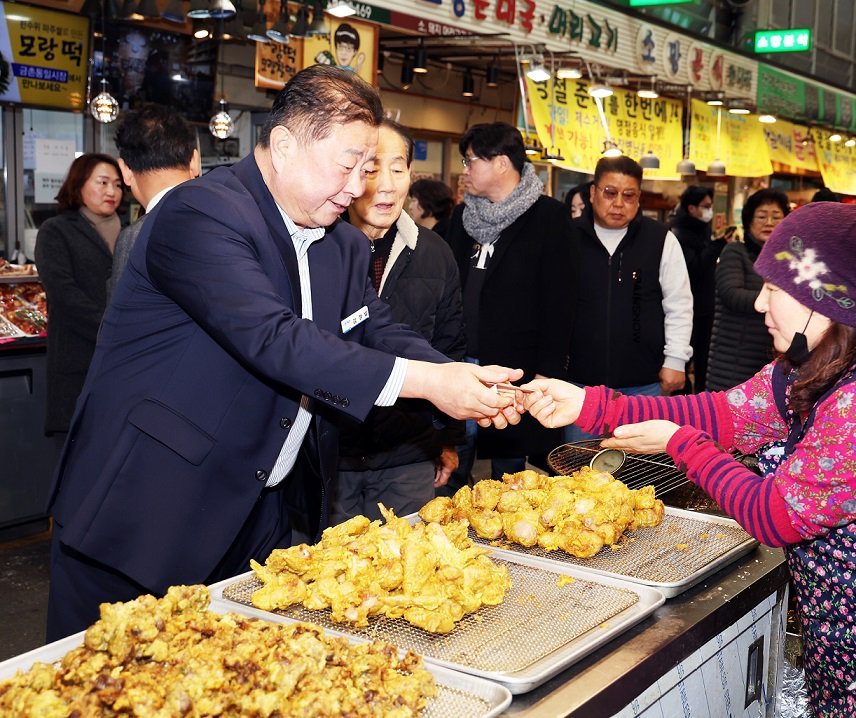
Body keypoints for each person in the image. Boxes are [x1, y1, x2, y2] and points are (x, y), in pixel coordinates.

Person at [521, 202, 856, 717]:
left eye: (774, 289)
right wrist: (590, 404)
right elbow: (724, 413)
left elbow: (774, 515)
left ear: (825, 298)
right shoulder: (817, 366)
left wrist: (679, 444)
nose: (758, 304)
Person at [46, 66, 524, 641]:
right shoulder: (201, 213)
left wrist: (457, 379)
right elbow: (273, 338)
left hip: (255, 511)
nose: (357, 187)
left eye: (367, 169)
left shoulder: (340, 242)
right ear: (284, 144)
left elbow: (372, 328)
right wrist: (425, 383)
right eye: (348, 166)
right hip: (145, 507)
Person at [333, 120, 465, 524]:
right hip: (331, 452)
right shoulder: (319, 246)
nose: (386, 184)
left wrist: (447, 439)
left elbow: (450, 345)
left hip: (408, 452)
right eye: (372, 167)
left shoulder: (435, 253)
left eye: (399, 167)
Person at [446, 121, 578, 479]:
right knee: (456, 461)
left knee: (511, 473)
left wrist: (548, 373)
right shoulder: (462, 215)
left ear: (501, 163)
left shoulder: (549, 218)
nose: (466, 170)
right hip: (464, 362)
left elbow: (561, 302)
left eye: (471, 161)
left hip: (516, 369)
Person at [565, 155, 692, 444]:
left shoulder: (660, 239)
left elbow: (679, 304)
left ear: (639, 198)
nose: (618, 203)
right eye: (610, 193)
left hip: (643, 385)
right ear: (592, 193)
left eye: (629, 195)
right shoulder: (567, 237)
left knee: (638, 475)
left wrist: (676, 360)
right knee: (576, 470)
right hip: (580, 384)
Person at [34, 153, 124, 436]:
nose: (112, 191)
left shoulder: (130, 231)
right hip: (78, 360)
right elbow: (63, 293)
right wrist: (111, 328)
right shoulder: (56, 231)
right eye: (103, 182)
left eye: (118, 184)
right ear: (79, 184)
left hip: (122, 362)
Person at [107, 103, 200, 302]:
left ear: (125, 170)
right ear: (195, 161)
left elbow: (121, 328)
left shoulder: (137, 236)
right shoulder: (235, 217)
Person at [705, 188, 789, 390]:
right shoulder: (735, 251)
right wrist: (777, 301)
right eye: (761, 216)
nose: (769, 222)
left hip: (771, 361)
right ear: (748, 220)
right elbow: (731, 294)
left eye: (776, 216)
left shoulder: (788, 260)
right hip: (732, 360)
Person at [670, 185, 716, 392]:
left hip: (706, 305)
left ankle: (700, 396)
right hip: (688, 306)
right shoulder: (679, 233)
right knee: (687, 357)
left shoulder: (703, 229)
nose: (709, 211)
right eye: (705, 206)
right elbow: (694, 268)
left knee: (704, 357)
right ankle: (684, 400)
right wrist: (718, 245)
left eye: (710, 206)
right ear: (691, 208)